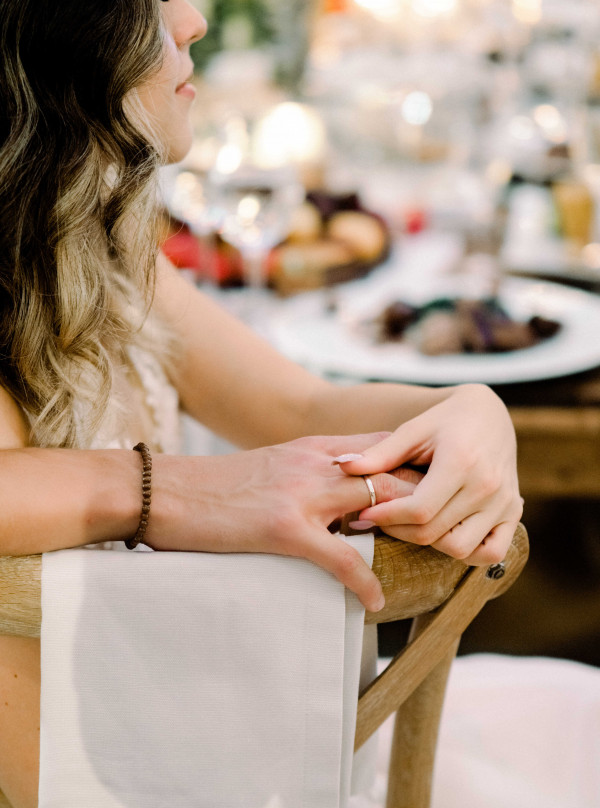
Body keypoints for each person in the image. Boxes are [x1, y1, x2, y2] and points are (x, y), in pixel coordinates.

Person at [0, 1, 522, 806]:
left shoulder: (91, 240)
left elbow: (296, 407)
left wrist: (465, 406)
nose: (193, 19)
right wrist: (174, 491)